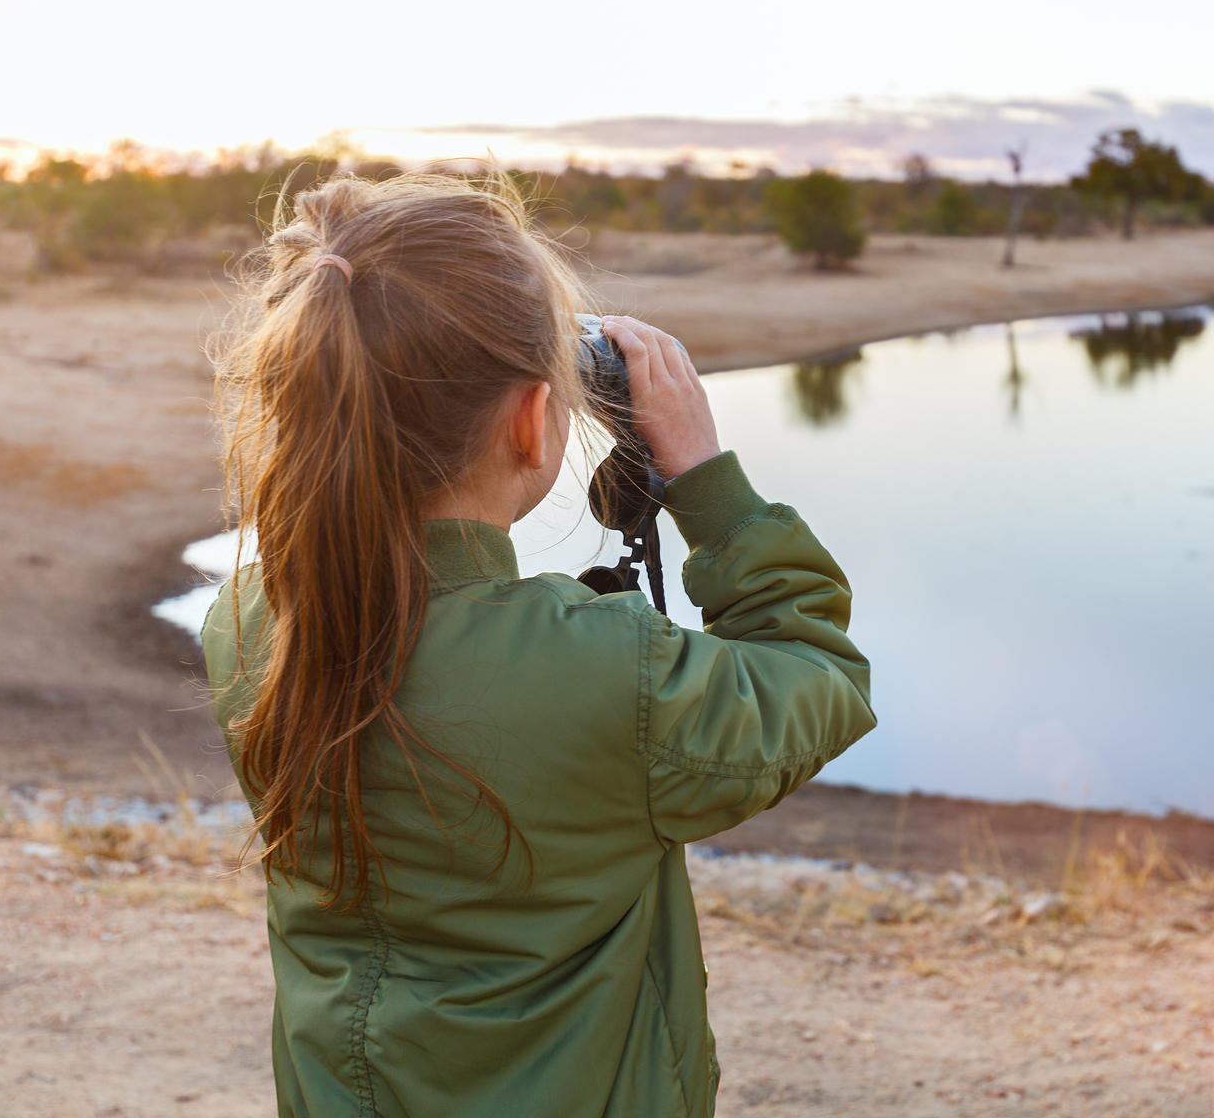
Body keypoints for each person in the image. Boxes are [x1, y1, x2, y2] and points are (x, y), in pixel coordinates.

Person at [202, 172, 875, 1118]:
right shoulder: (608, 672)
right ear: (530, 419)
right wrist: (705, 482)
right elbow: (820, 677)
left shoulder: (248, 625)